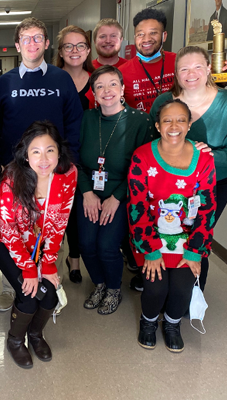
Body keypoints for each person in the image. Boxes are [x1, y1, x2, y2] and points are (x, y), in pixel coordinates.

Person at [0, 17, 83, 311]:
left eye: (38, 38)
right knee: (16, 228)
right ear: (17, 45)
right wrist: (1, 166)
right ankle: (11, 285)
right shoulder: (5, 82)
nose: (32, 43)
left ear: (46, 43)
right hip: (14, 171)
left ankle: (50, 275)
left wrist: (69, 165)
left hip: (53, 168)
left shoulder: (60, 79)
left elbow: (74, 123)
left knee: (51, 224)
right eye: (26, 38)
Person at [149, 46, 227, 290]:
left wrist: (207, 156)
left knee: (197, 238)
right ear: (176, 73)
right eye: (184, 68)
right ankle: (163, 291)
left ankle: (191, 296)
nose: (190, 73)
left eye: (197, 67)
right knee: (168, 235)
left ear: (208, 69)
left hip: (212, 185)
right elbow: (151, 144)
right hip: (168, 185)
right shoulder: (163, 102)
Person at [0, 121, 77, 368]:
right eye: (36, 151)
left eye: (50, 150)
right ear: (26, 155)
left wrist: (48, 265)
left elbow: (60, 222)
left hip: (40, 245)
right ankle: (15, 340)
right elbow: (8, 229)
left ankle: (35, 335)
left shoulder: (68, 175)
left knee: (48, 294)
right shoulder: (11, 179)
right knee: (28, 295)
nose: (44, 158)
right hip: (4, 242)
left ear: (59, 151)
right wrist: (28, 269)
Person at [128, 99, 216, 352]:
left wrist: (194, 251)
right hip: (150, 237)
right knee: (155, 287)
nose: (174, 125)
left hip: (187, 240)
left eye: (181, 120)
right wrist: (151, 250)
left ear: (189, 125)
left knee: (181, 287)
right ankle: (148, 321)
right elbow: (137, 207)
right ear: (157, 125)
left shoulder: (204, 161)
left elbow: (207, 209)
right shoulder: (142, 157)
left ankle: (172, 323)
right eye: (167, 120)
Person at [77, 66, 154, 315]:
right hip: (89, 190)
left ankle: (113, 289)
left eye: (112, 84)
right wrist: (87, 192)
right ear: (94, 93)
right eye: (99, 86)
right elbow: (73, 158)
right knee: (86, 243)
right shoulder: (86, 119)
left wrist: (117, 198)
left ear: (122, 89)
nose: (106, 90)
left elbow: (141, 168)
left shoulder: (140, 121)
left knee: (107, 245)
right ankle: (99, 284)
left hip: (123, 193)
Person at [119, 8, 227, 114]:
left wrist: (219, 81)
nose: (146, 39)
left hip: (182, 131)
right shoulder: (122, 72)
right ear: (135, 38)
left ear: (164, 36)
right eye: (140, 34)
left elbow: (203, 91)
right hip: (143, 135)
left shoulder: (182, 63)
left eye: (153, 33)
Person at [53, 25, 95, 283]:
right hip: (60, 155)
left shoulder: (98, 79)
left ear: (88, 50)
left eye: (80, 45)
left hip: (91, 155)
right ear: (60, 51)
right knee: (64, 210)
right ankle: (73, 260)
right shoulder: (53, 80)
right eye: (68, 46)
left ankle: (77, 256)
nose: (75, 51)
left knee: (82, 209)